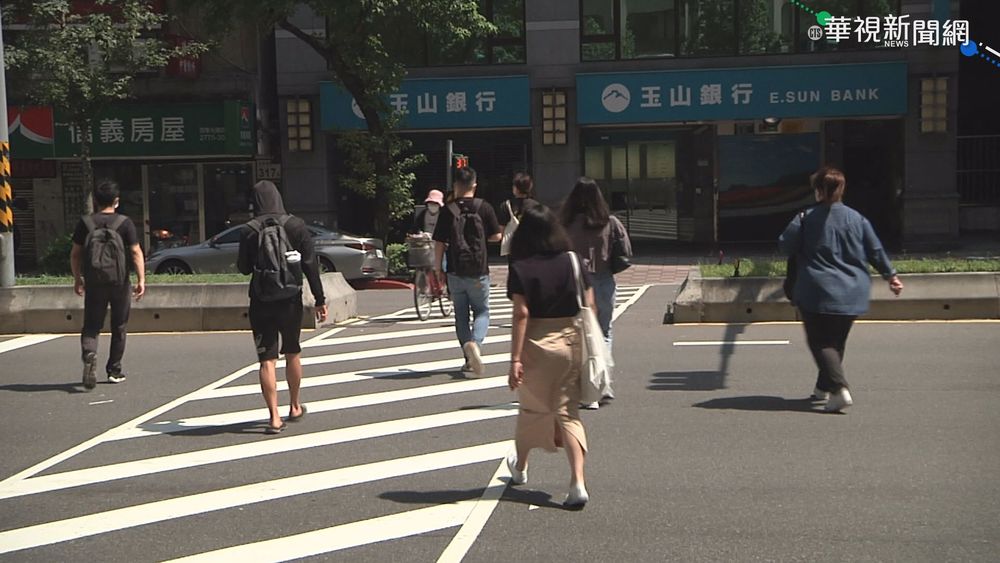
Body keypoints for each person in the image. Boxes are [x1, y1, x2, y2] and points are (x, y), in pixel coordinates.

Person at [779, 166, 904, 413]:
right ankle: (822, 388)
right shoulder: (857, 219)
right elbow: (875, 250)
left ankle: (839, 388)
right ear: (842, 189)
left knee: (820, 342)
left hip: (817, 290)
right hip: (853, 291)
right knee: (836, 342)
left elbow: (785, 245)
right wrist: (891, 276)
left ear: (818, 191)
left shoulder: (805, 218)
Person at [506, 204, 593, 509]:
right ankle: (577, 482)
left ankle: (520, 468)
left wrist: (515, 359)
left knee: (532, 410)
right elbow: (590, 305)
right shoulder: (573, 261)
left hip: (535, 347)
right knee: (568, 413)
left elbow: (521, 314)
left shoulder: (520, 267)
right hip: (569, 342)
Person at [238, 180, 329, 434]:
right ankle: (295, 406)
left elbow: (243, 268)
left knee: (267, 360)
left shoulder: (248, 230)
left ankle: (274, 417)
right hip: (290, 299)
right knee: (292, 351)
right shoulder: (296, 225)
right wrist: (320, 300)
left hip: (261, 299)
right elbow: (311, 265)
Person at [560, 177, 632, 409]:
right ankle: (603, 384)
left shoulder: (566, 224)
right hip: (602, 281)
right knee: (604, 332)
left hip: (573, 282)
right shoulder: (609, 223)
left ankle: (583, 386)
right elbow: (626, 251)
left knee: (576, 335)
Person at [70, 179, 146, 390]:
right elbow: (135, 252)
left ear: (95, 200)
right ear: (117, 201)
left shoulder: (85, 223)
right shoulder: (125, 223)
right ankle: (114, 370)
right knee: (119, 326)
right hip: (120, 282)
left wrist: (78, 278)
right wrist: (141, 279)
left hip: (94, 283)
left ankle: (89, 353)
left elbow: (75, 254)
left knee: (92, 325)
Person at [432, 167, 502, 375]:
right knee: (482, 311)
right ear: (474, 185)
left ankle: (468, 356)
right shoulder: (485, 207)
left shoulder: (448, 210)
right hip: (479, 271)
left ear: (456, 186)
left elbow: (439, 243)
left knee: (461, 316)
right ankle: (476, 345)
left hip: (455, 270)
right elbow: (497, 236)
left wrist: (438, 269)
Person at [498, 172, 539, 257]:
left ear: (516, 188)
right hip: (532, 247)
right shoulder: (536, 206)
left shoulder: (506, 205)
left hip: (513, 248)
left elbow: (501, 229)